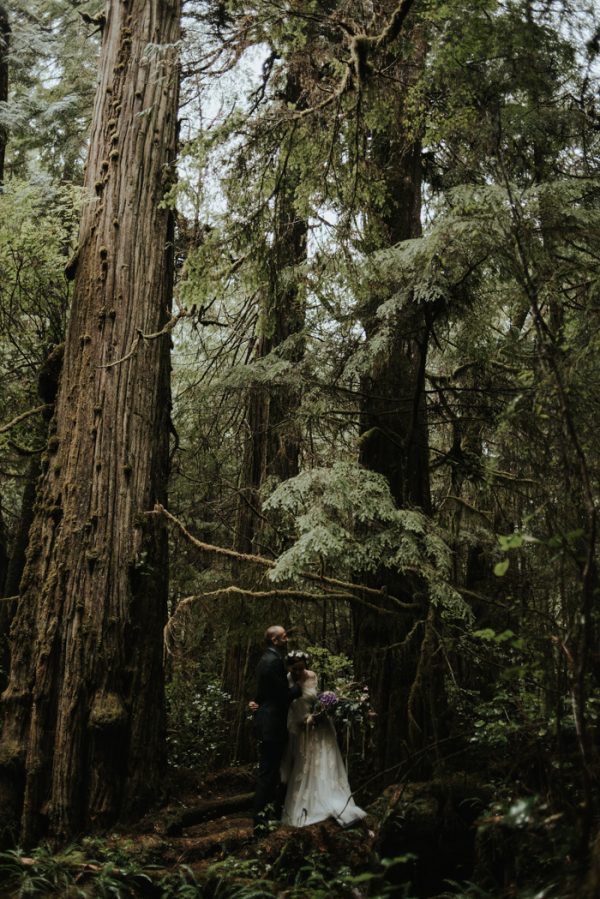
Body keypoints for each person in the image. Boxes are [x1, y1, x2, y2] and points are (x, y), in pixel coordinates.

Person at [280, 650, 367, 828]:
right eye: (295, 668)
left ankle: (329, 797)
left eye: (301, 668)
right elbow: (289, 706)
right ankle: (307, 804)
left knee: (324, 762)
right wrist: (302, 720)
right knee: (305, 764)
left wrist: (321, 710)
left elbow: (315, 698)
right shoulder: (287, 679)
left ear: (305, 666)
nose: (298, 672)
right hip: (301, 728)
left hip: (319, 726)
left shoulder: (312, 676)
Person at [251, 625, 302, 832]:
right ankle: (259, 822)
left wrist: (255, 703)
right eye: (283, 636)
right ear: (274, 640)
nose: (286, 638)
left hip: (268, 722)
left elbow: (264, 693)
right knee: (268, 773)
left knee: (270, 772)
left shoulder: (267, 659)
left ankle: (267, 815)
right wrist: (298, 688)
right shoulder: (272, 662)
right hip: (272, 725)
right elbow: (281, 696)